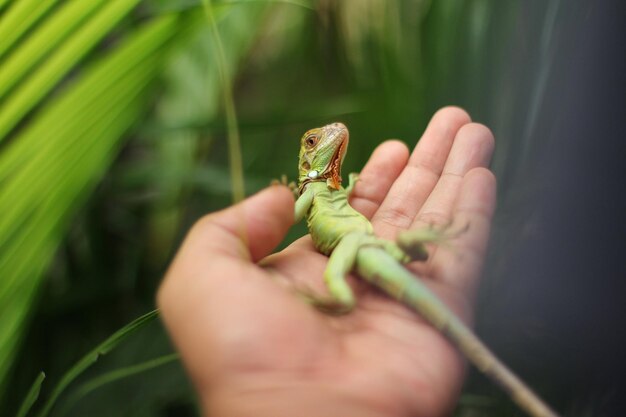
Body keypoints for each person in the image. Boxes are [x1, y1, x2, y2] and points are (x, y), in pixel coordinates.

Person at [157, 107, 496, 417]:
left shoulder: (328, 191)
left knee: (371, 262)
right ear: (307, 161)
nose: (332, 132)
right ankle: (361, 284)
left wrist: (346, 187)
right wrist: (282, 197)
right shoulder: (309, 192)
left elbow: (333, 198)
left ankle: (372, 275)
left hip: (363, 241)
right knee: (377, 265)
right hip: (360, 242)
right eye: (314, 140)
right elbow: (290, 215)